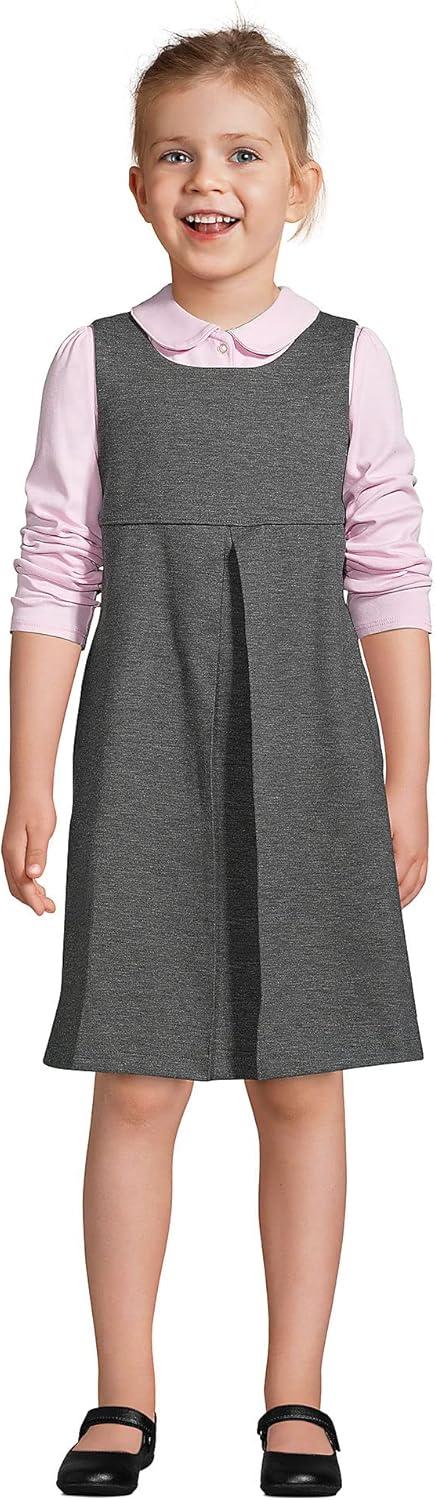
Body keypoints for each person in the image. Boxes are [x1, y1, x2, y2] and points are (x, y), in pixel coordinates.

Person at [2, 20, 432, 1499]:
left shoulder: (351, 362)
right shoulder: (95, 361)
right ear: (137, 186)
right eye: (178, 154)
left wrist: (407, 776)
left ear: (300, 183)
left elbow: (391, 571)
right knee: (136, 1081)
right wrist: (31, 776)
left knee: (303, 1079)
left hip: (315, 750)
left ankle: (296, 1395)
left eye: (244, 154)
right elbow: (54, 570)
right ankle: (121, 1394)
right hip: (144, 746)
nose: (210, 181)